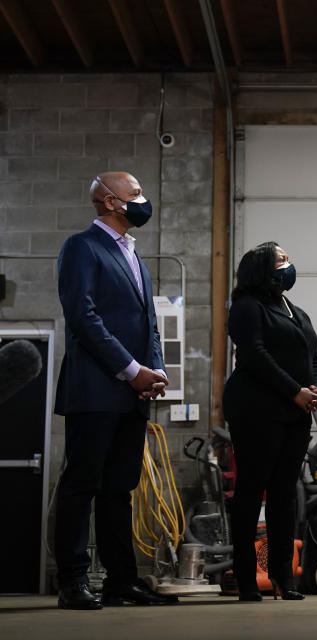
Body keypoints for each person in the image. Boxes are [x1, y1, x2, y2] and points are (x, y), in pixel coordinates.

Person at [54, 172, 177, 609]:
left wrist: (156, 369)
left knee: (119, 489)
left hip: (130, 393)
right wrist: (131, 369)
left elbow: (149, 323)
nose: (143, 201)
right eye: (135, 195)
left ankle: (120, 581)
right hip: (95, 388)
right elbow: (83, 317)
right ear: (109, 201)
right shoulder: (82, 247)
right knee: (81, 484)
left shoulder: (133, 255)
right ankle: (72, 582)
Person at [223, 242, 317, 601]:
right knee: (252, 491)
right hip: (256, 408)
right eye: (281, 260)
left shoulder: (297, 312)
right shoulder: (246, 307)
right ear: (261, 269)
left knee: (285, 494)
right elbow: (255, 356)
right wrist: (294, 390)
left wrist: (315, 388)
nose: (288, 264)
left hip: (295, 412)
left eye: (288, 259)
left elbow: (315, 356)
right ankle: (248, 581)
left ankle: (285, 580)